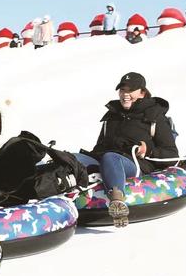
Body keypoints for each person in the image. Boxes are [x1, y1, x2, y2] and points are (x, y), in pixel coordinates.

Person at [73, 72, 179, 228]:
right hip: (105, 159)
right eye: (122, 90)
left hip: (134, 164)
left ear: (142, 92)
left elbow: (172, 155)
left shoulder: (154, 116)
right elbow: (99, 146)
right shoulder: (112, 115)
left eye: (130, 90)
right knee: (73, 157)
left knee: (111, 157)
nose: (125, 95)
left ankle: (117, 202)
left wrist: (147, 151)